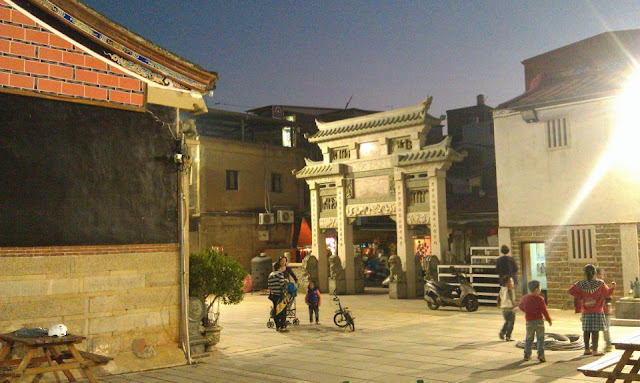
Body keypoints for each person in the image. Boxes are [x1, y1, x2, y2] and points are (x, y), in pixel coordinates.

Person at [569, 264, 615, 356]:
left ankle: (586, 349)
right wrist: (613, 287)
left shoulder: (580, 283)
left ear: (584, 273)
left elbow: (571, 291)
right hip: (597, 311)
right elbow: (607, 293)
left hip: (586, 311)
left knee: (586, 331)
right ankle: (594, 350)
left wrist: (581, 297)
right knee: (595, 331)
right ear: (594, 273)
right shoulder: (600, 283)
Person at [519, 280, 552, 362]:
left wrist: (526, 311)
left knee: (529, 338)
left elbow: (520, 306)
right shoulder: (540, 299)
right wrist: (548, 319)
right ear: (537, 289)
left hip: (529, 321)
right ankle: (541, 355)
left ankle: (527, 354)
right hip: (539, 321)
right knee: (540, 339)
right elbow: (544, 311)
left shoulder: (525, 298)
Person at [595, 268, 615, 352]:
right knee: (594, 329)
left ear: (603, 277)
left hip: (605, 311)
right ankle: (594, 345)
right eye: (597, 276)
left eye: (600, 276)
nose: (599, 278)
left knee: (605, 328)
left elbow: (608, 298)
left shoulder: (604, 286)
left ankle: (608, 344)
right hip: (596, 311)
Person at [268, 262, 289, 332]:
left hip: (274, 295)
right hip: (280, 295)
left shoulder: (270, 275)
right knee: (282, 311)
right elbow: (282, 284)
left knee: (276, 311)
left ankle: (278, 326)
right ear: (280, 267)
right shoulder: (280, 274)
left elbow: (269, 286)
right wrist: (286, 281)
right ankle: (283, 326)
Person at [497, 276, 516, 342]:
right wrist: (515, 305)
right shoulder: (510, 289)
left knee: (507, 322)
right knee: (511, 323)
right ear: (506, 283)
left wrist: (499, 304)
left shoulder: (502, 289)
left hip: (504, 308)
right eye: (511, 281)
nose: (512, 283)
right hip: (510, 308)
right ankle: (508, 336)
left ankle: (502, 333)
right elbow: (512, 299)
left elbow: (499, 298)